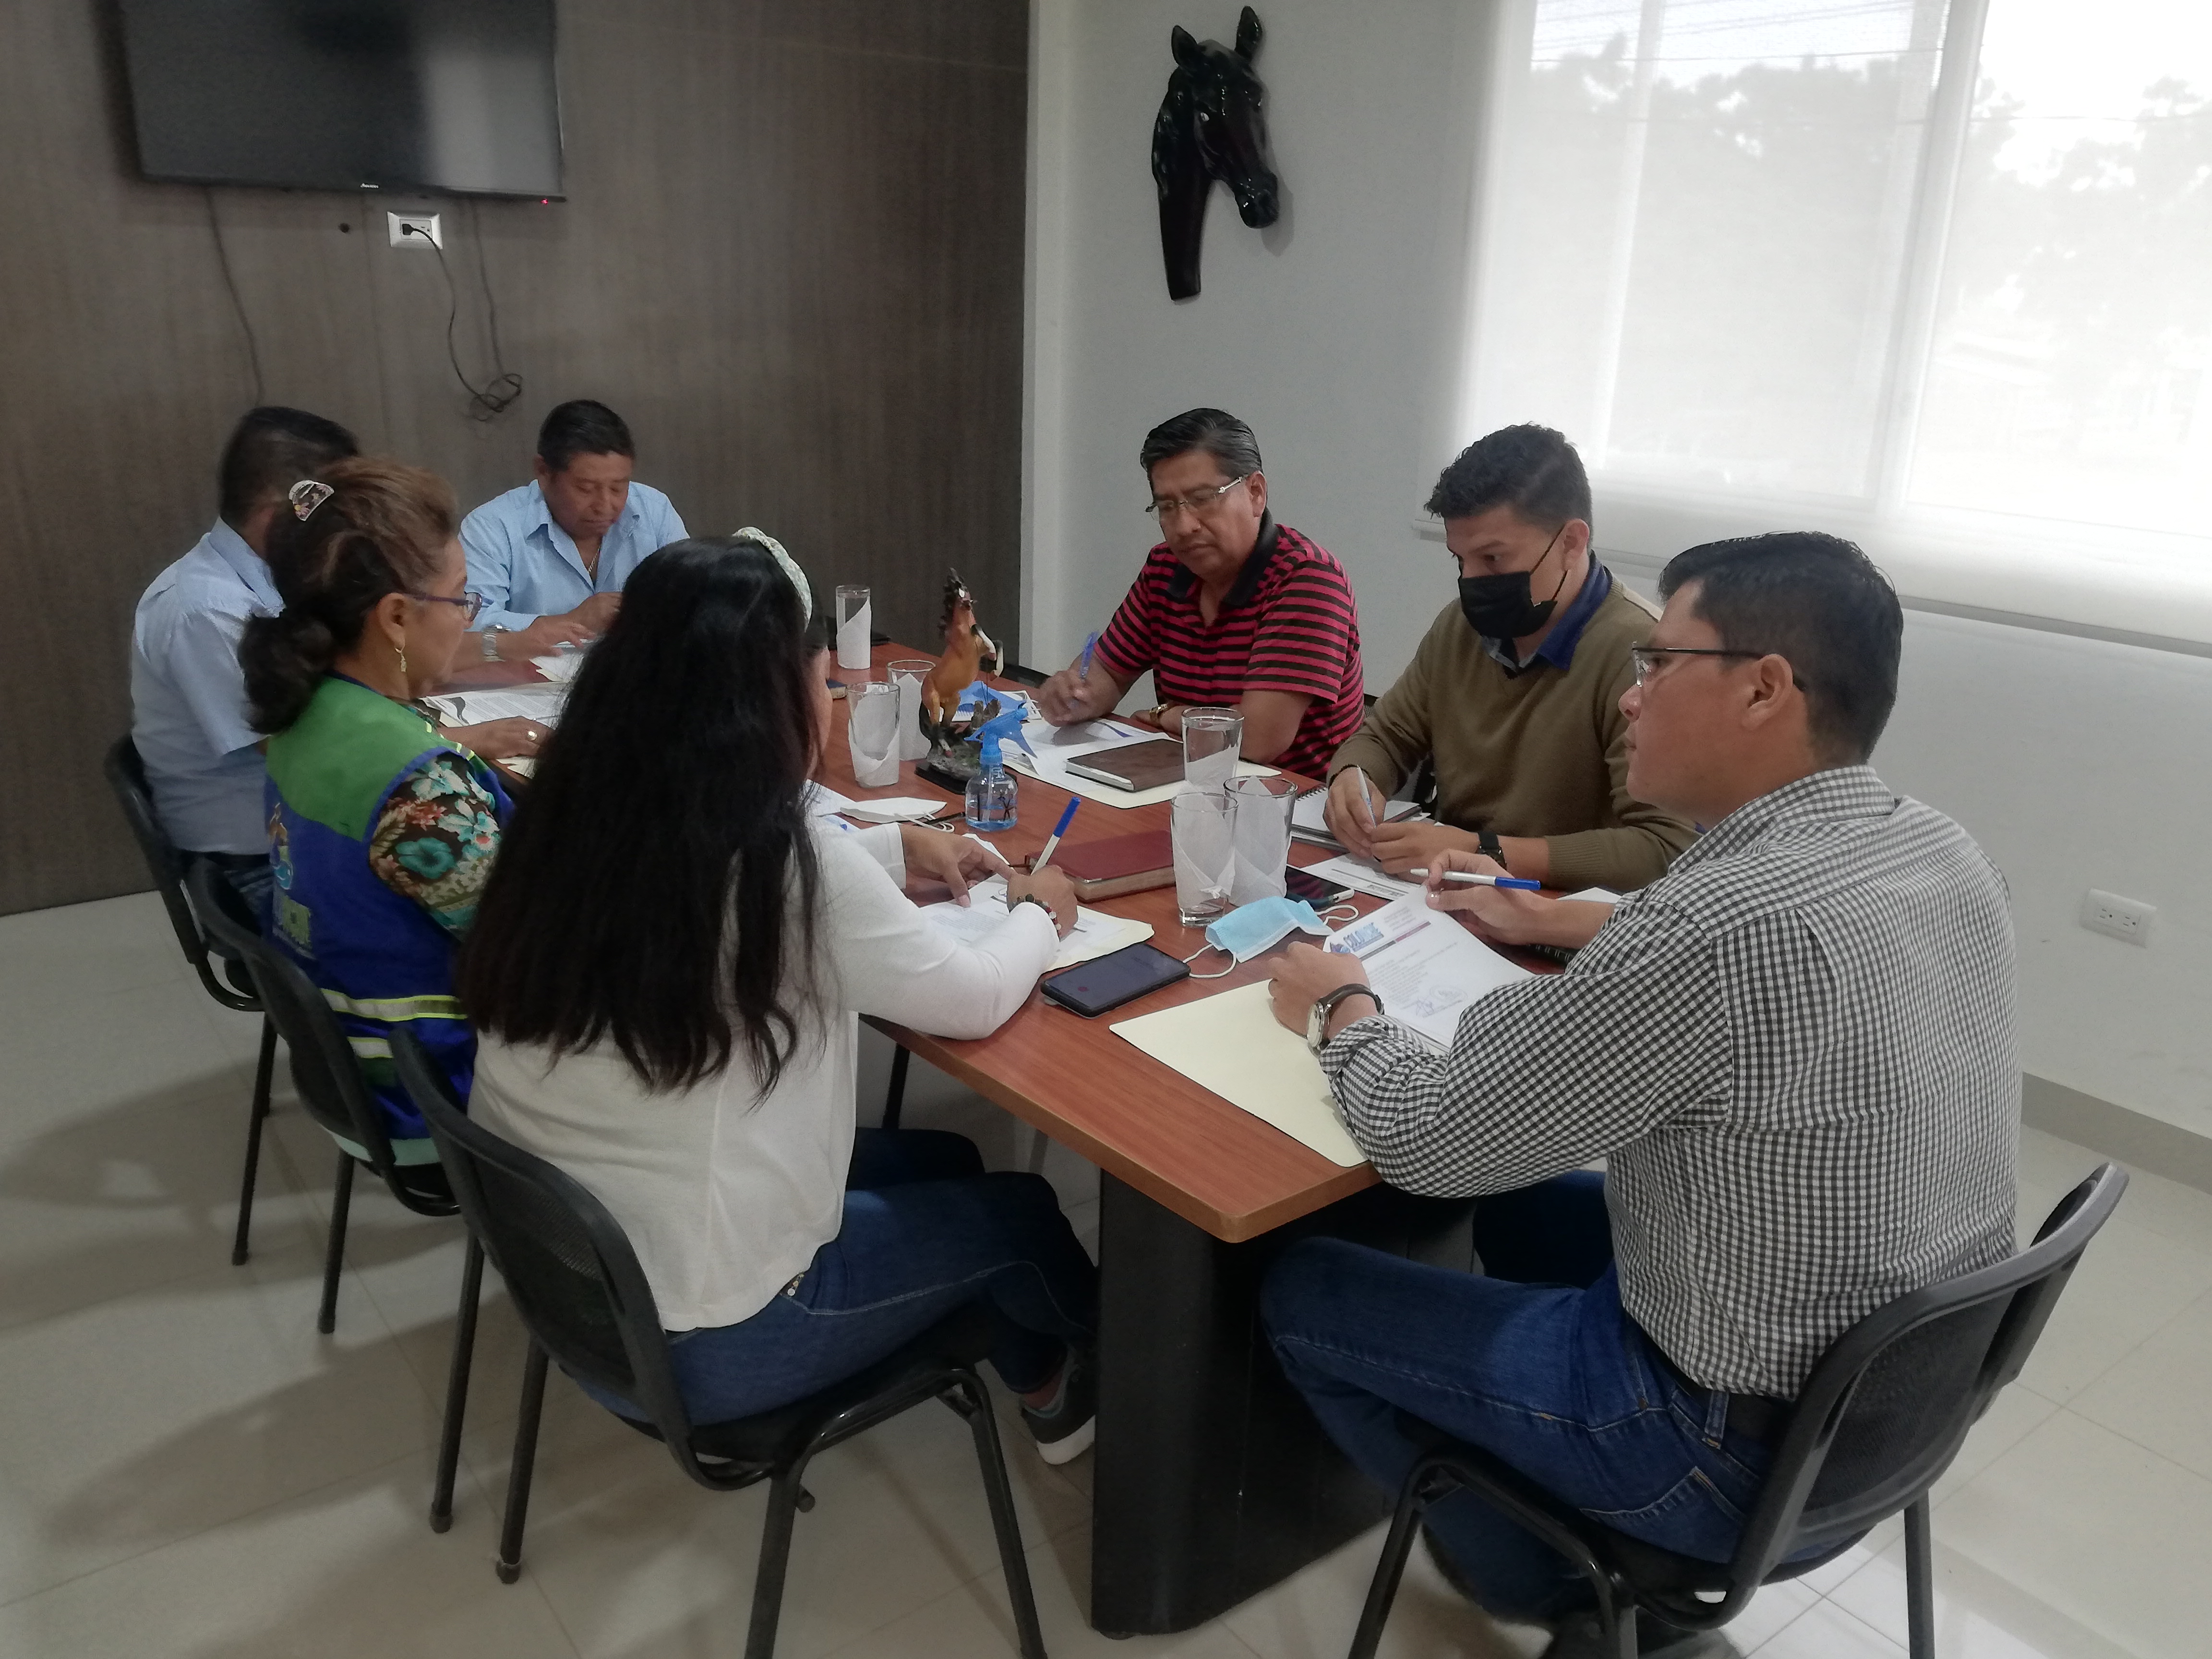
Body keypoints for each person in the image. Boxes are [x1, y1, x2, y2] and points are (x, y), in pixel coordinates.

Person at [1261, 533, 2018, 1657]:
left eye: (1660, 663)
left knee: (1304, 1287)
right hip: (1896, 1410)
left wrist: (1344, 1008)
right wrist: (1556, 917)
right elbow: (1751, 969)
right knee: (1519, 1209)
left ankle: (1579, 1599)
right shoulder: (1939, 849)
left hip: (1717, 1451)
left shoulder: (1713, 927)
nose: (1631, 695)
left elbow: (1428, 1140)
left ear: (1763, 688)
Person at [458, 537, 1103, 1461]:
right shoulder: (782, 863)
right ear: (779, 696)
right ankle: (1102, 1404)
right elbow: (972, 995)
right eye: (823, 680)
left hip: (579, 1289)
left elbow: (735, 885)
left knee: (948, 1159)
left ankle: (1038, 1377)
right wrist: (1039, 910)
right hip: (713, 1339)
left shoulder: (574, 810)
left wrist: (892, 852)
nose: (829, 698)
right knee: (1023, 1217)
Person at [239, 458, 536, 1163]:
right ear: (397, 616)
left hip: (351, 1063)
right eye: (461, 599)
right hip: (432, 1094)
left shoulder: (305, 708)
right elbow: (534, 958)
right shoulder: (423, 790)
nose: (467, 619)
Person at [1323, 424, 1695, 898]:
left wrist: (1485, 852)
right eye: (1460, 560)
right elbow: (1387, 735)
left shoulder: (1642, 654)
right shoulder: (1460, 627)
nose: (1472, 581)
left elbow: (1663, 848)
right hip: (1446, 893)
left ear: (1571, 543)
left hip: (1560, 911)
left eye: (1494, 559)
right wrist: (1353, 779)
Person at [1035, 408, 1363, 776]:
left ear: (1256, 493)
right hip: (1187, 779)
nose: (1184, 526)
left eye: (1204, 498)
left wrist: (1166, 715)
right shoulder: (1165, 566)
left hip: (1293, 798)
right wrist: (1075, 696)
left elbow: (1256, 741)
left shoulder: (1308, 577)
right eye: (1167, 506)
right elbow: (1108, 673)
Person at [130, 407, 359, 908]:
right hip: (252, 860)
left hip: (296, 818)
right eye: (333, 513)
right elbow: (293, 751)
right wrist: (458, 740)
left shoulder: (269, 574)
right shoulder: (205, 609)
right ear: (279, 515)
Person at [461, 398, 686, 663]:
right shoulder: (492, 526)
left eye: (618, 488)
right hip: (528, 681)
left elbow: (694, 598)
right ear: (544, 473)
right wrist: (568, 622)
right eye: (586, 489)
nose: (605, 506)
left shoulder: (654, 510)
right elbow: (467, 625)